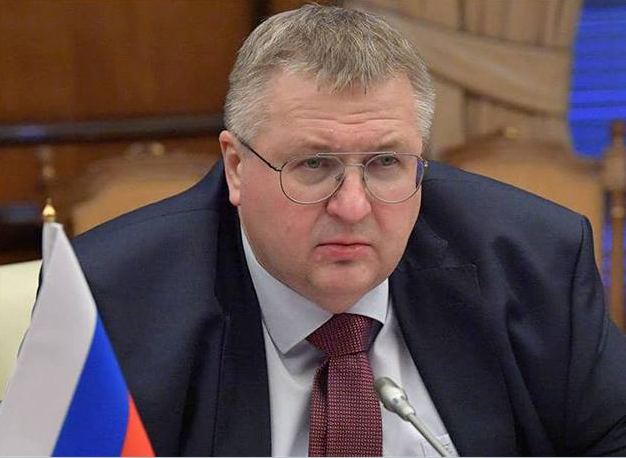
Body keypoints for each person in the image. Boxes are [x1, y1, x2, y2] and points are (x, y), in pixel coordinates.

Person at [73, 4, 626, 456]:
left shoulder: (533, 261)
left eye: (386, 163)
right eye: (314, 164)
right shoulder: (112, 302)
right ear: (236, 167)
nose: (353, 205)